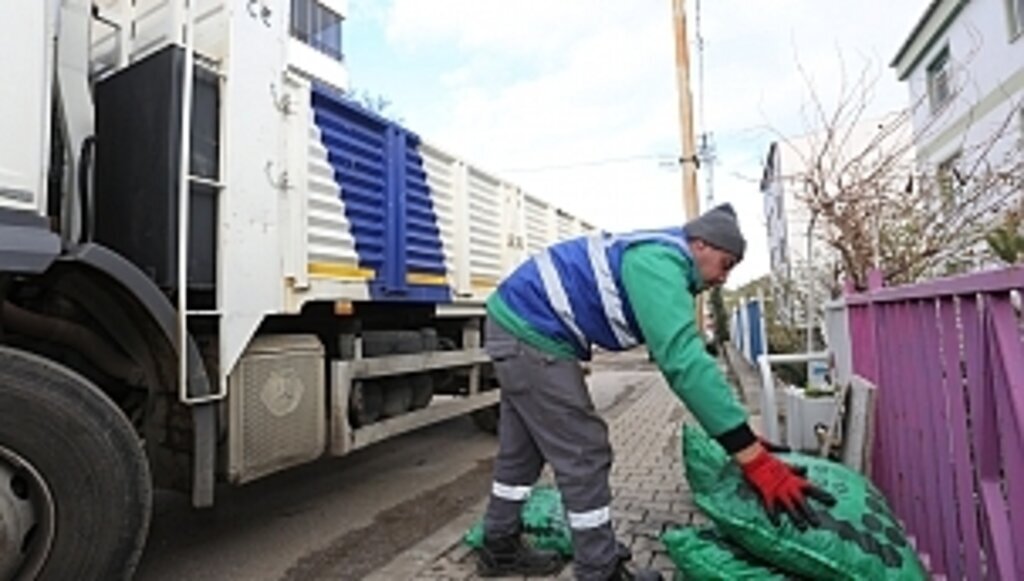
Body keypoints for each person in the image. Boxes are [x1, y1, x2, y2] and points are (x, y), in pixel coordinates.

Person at [474, 203, 835, 580]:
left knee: (521, 453)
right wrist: (754, 459)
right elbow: (685, 363)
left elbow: (685, 361)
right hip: (532, 334)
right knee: (584, 452)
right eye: (725, 264)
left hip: (518, 326)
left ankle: (499, 546)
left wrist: (742, 436)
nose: (724, 279)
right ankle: (598, 570)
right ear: (700, 245)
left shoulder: (657, 255)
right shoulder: (659, 262)